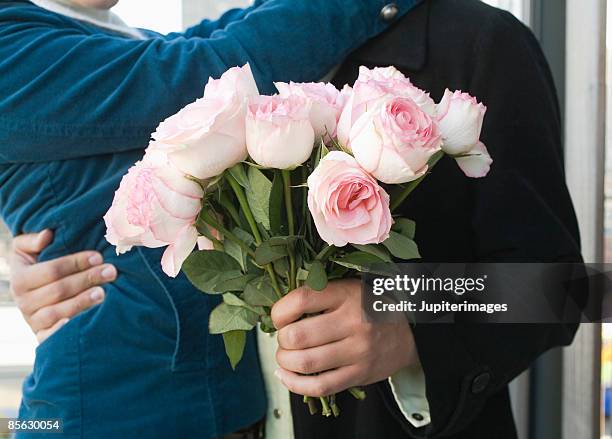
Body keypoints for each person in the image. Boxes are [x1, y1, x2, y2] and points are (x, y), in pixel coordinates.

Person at [0, 0, 421, 438]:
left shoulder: (114, 35)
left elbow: (218, 37)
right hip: (107, 415)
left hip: (217, 411)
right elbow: (211, 68)